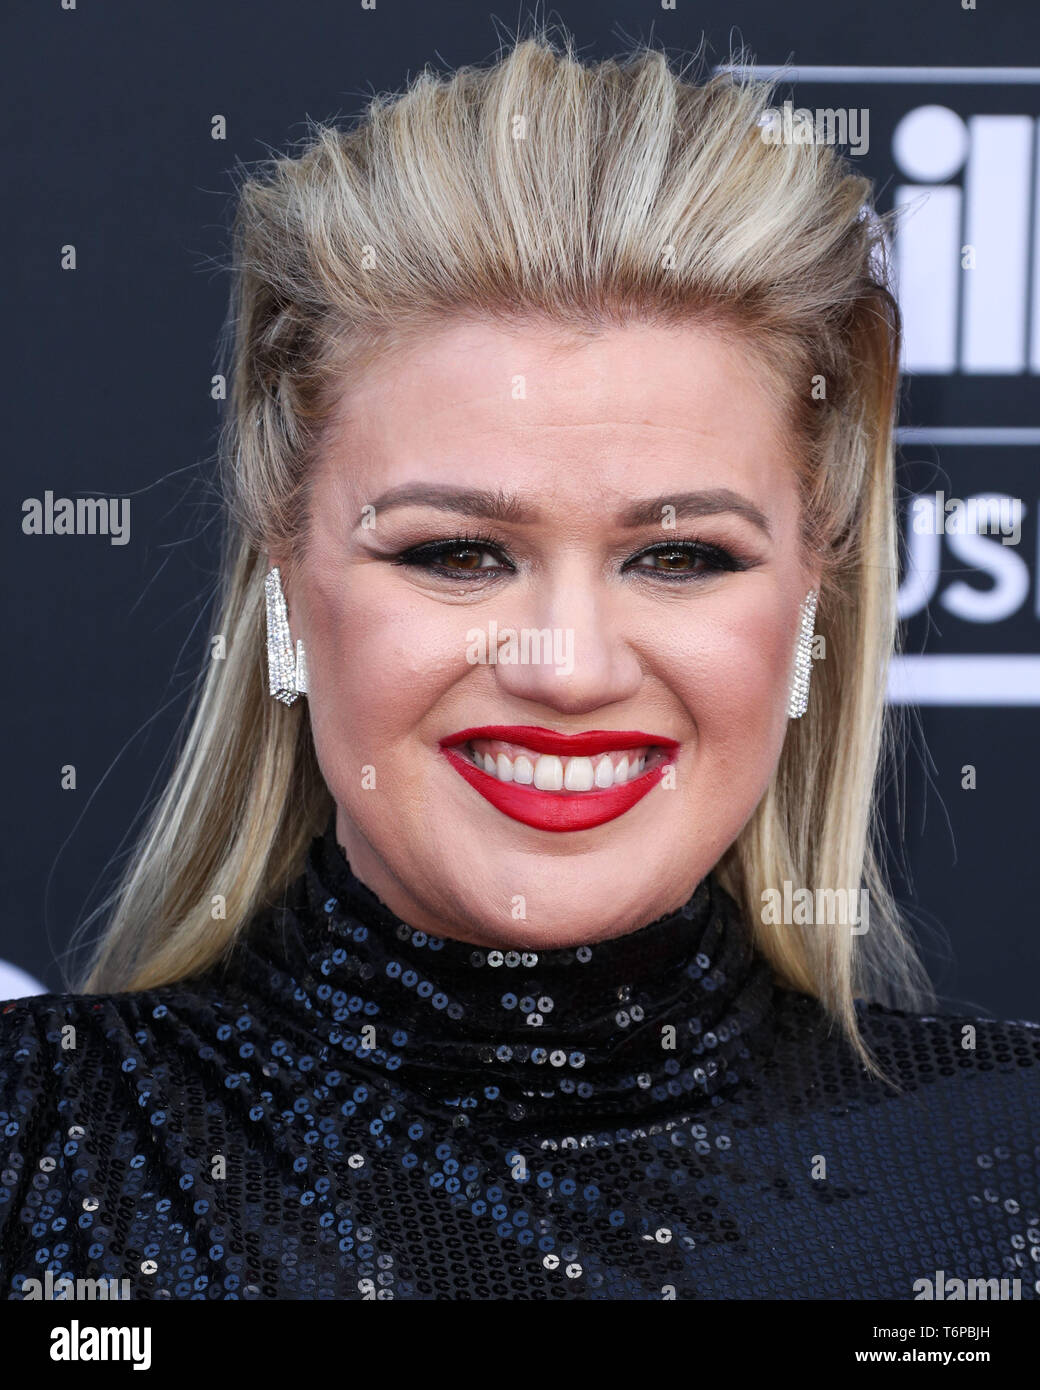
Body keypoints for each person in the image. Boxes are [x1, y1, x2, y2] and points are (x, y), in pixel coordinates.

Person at [2, 32, 1037, 1302]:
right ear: (285, 580)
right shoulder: (33, 1150)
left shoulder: (1006, 1173)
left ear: (811, 599)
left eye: (679, 558)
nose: (567, 668)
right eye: (456, 553)